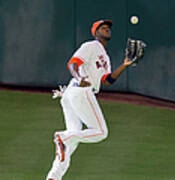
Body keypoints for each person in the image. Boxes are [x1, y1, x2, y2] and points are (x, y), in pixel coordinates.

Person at [46, 19, 134, 180]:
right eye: (103, 27)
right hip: (80, 90)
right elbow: (72, 64)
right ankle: (62, 137)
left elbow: (106, 81)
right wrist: (79, 78)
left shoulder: (105, 58)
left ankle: (53, 177)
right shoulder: (91, 46)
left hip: (71, 94)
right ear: (95, 32)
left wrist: (124, 65)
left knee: (69, 145)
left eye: (108, 28)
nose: (107, 29)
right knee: (101, 132)